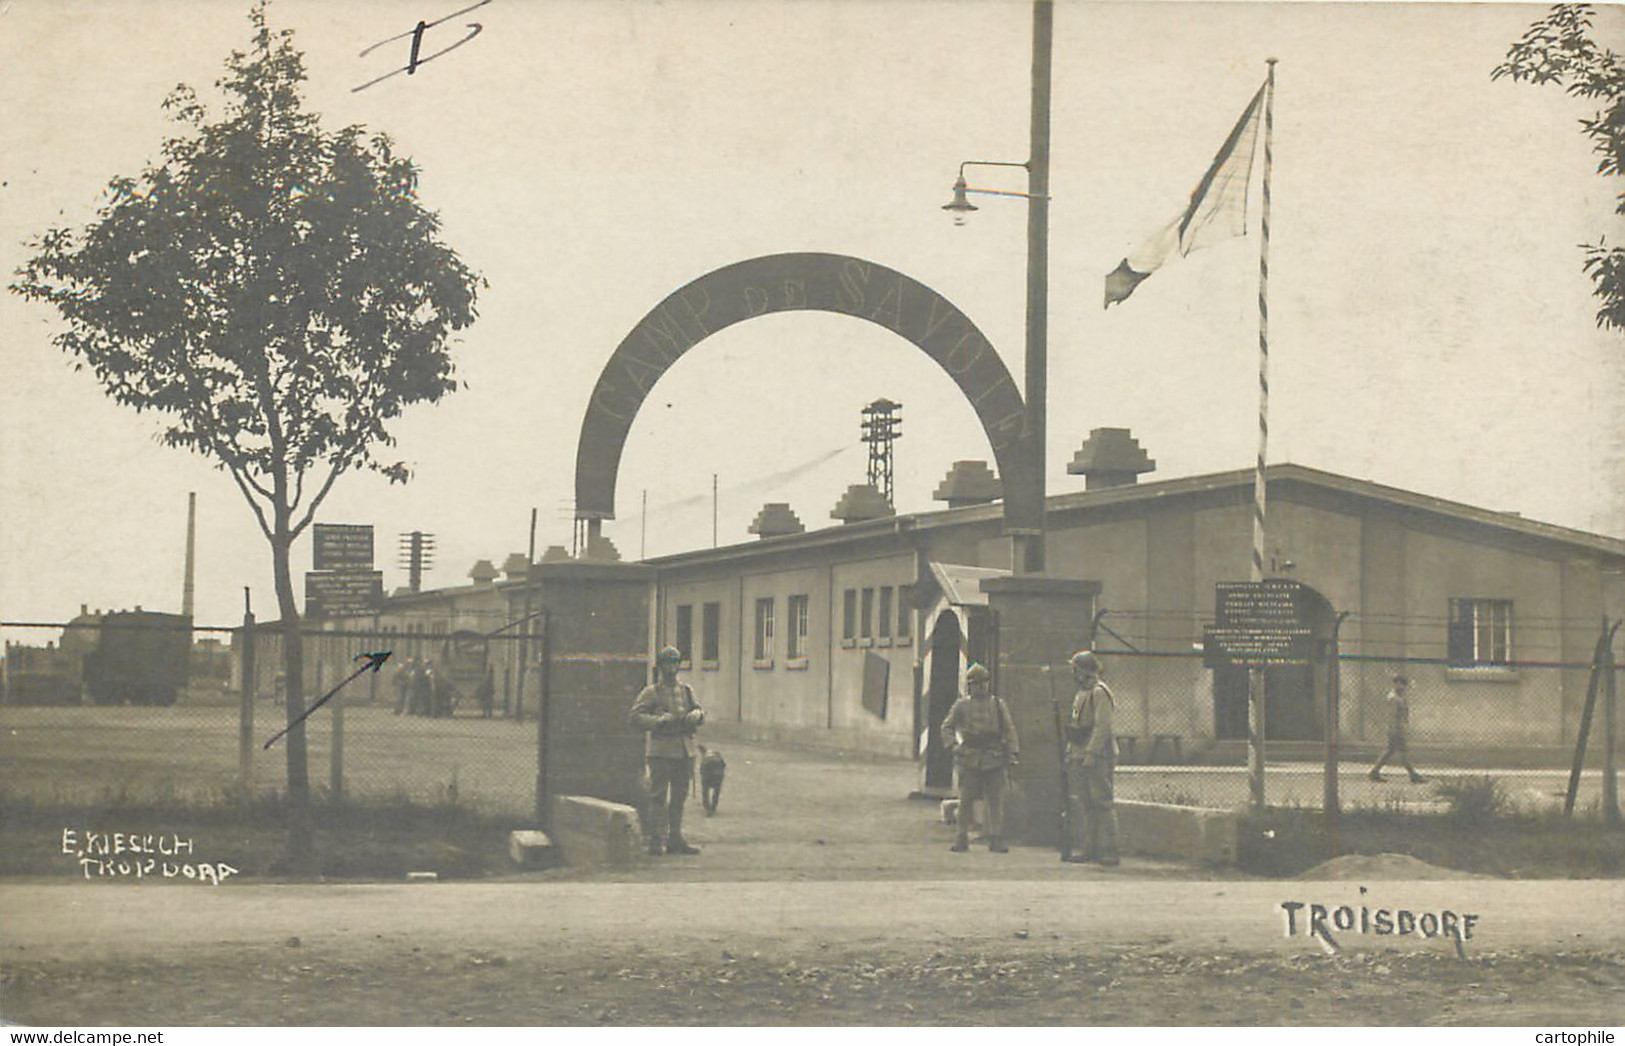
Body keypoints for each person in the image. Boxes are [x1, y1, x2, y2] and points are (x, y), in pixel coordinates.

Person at [628, 646, 705, 856]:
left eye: (675, 662)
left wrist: (697, 714)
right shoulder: (651, 692)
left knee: (679, 797)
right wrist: (659, 721)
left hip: (684, 751)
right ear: (660, 666)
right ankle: (655, 839)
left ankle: (675, 838)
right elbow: (635, 717)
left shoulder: (686, 690)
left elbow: (698, 710)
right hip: (661, 751)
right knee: (658, 797)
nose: (672, 667)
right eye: (667, 663)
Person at [940, 663, 1019, 853]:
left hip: (994, 757)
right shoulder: (962, 705)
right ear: (969, 686)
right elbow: (947, 726)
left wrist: (1013, 752)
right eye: (975, 684)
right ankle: (961, 837)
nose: (980, 687)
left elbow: (1009, 729)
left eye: (983, 683)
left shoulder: (998, 705)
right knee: (966, 800)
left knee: (995, 801)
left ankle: (995, 837)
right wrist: (954, 746)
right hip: (970, 758)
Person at [1064, 650, 1119, 866]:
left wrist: (1091, 753)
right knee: (1087, 803)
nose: (1073, 673)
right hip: (1080, 753)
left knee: (1103, 802)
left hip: (1098, 756)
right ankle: (1091, 848)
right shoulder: (1081, 694)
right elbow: (1076, 726)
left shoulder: (1099, 692)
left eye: (1075, 669)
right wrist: (1071, 752)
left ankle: (1110, 850)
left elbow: (1102, 726)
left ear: (1085, 671)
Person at [1369, 674, 1426, 783]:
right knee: (1402, 752)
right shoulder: (1394, 698)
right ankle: (1413, 775)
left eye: (1404, 684)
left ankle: (1374, 772)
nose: (1402, 687)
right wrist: (1396, 730)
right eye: (1400, 684)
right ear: (1395, 684)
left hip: (1399, 728)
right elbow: (1392, 716)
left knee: (1390, 751)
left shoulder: (1399, 697)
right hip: (1396, 729)